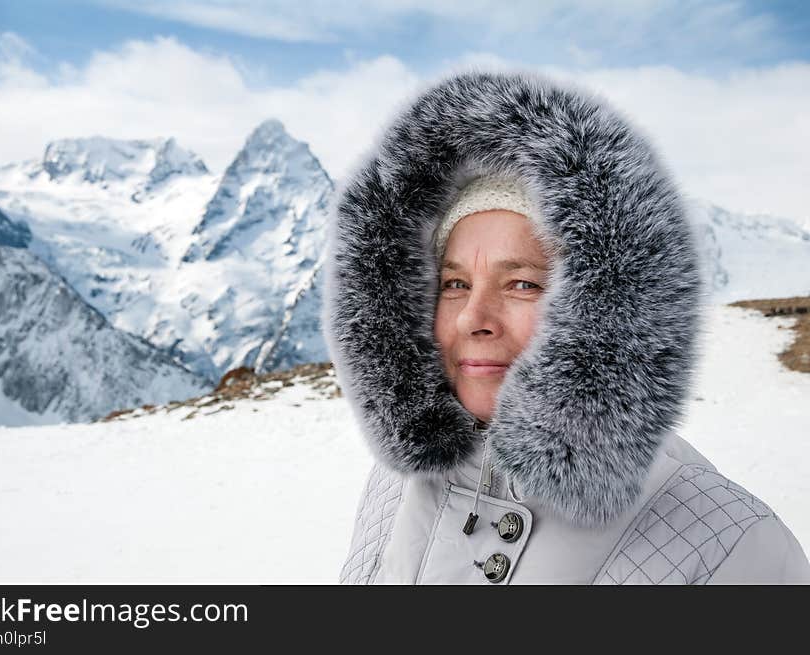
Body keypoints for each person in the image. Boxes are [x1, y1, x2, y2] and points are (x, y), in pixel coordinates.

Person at [322, 68, 810, 584]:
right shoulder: (395, 487)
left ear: (604, 313)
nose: (472, 319)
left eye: (523, 284)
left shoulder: (728, 544)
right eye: (455, 283)